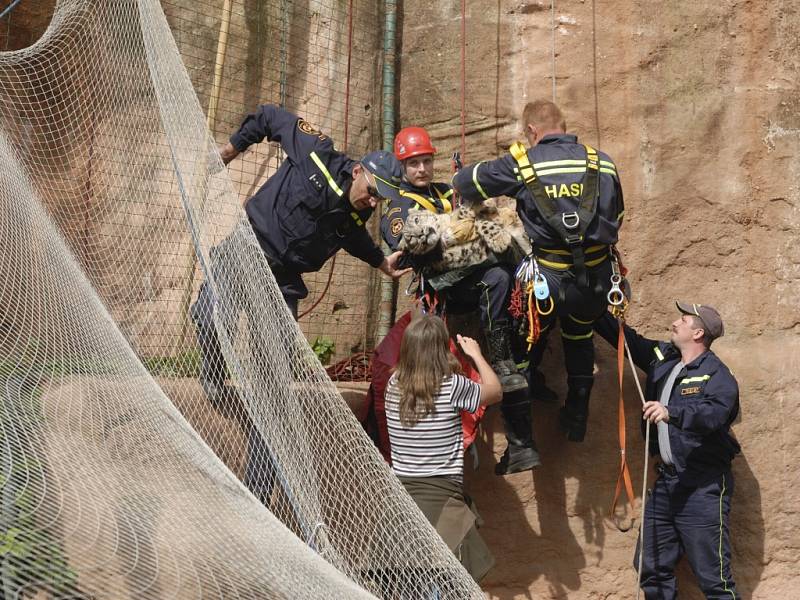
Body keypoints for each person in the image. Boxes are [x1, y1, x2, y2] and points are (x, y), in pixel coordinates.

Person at [191, 104, 409, 501]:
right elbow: (269, 116)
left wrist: (382, 263)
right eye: (374, 192)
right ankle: (213, 367)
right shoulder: (316, 151)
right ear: (359, 171)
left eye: (383, 200)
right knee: (207, 317)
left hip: (284, 284)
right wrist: (230, 150)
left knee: (274, 386)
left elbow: (353, 238)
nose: (374, 203)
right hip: (245, 250)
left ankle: (258, 488)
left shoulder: (354, 215)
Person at [453, 99, 625, 443]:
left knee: (524, 340)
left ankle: (520, 438)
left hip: (546, 286)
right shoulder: (603, 163)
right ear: (563, 125)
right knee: (579, 336)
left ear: (532, 131)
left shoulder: (523, 163)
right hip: (596, 283)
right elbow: (617, 217)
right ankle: (577, 415)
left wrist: (465, 169)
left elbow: (466, 183)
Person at [383, 126, 540, 476]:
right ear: (402, 167)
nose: (422, 169)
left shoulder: (447, 190)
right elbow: (409, 243)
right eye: (414, 164)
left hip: (480, 281)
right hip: (443, 293)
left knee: (513, 353)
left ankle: (522, 442)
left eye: (426, 161)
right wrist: (458, 225)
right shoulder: (399, 205)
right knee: (497, 282)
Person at [594, 302, 740, 599]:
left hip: (703, 485)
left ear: (698, 332)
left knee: (715, 580)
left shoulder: (717, 374)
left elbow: (715, 414)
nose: (674, 322)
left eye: (683, 319)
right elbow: (627, 341)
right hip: (667, 484)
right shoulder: (663, 357)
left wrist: (672, 412)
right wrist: (591, 306)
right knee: (651, 566)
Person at [384, 314, 501, 582]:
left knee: (407, 582)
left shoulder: (393, 386)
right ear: (441, 349)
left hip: (401, 498)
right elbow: (495, 391)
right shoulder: (452, 385)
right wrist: (475, 354)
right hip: (443, 494)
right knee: (454, 581)